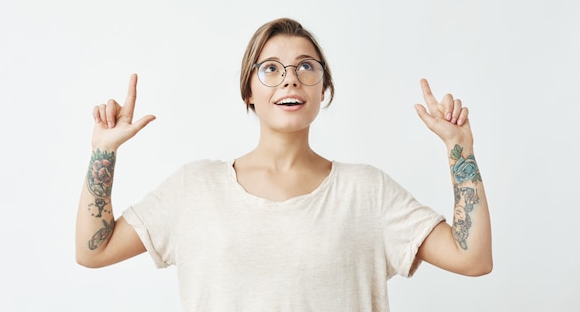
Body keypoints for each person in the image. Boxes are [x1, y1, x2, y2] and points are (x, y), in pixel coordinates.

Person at [75, 18, 492, 311]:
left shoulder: (367, 192)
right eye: (271, 69)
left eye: (305, 67)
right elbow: (95, 250)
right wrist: (103, 153)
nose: (290, 79)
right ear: (248, 92)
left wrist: (460, 149)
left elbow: (472, 259)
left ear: (323, 88)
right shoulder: (194, 188)